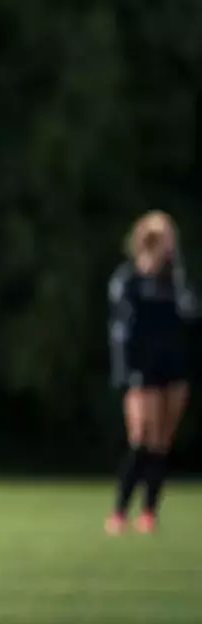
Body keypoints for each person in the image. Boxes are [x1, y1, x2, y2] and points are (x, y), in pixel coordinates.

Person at [106, 210, 195, 534]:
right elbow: (121, 330)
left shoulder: (175, 280)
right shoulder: (128, 280)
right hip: (141, 369)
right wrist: (125, 371)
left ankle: (148, 511)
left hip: (172, 365)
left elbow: (189, 316)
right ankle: (119, 511)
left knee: (162, 441)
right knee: (141, 436)